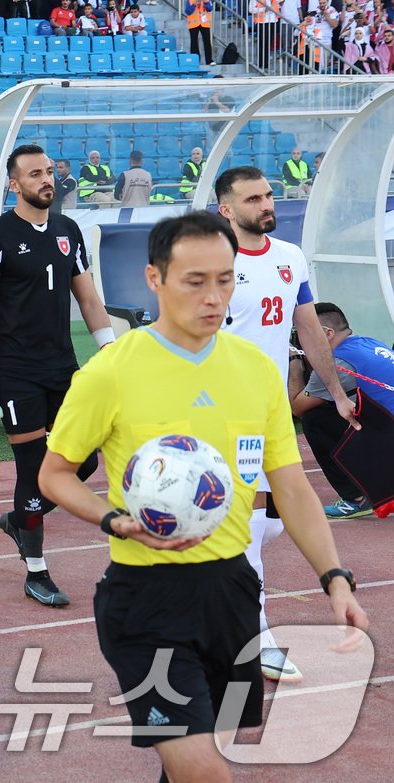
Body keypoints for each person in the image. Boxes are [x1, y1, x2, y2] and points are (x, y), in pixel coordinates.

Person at [38, 211, 367, 783]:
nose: (214, 296)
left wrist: (335, 579)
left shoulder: (255, 371)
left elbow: (290, 484)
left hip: (232, 591)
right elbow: (55, 475)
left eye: (226, 279)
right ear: (154, 279)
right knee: (205, 772)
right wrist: (111, 517)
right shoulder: (111, 371)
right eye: (195, 281)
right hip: (147, 601)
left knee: (204, 755)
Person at [215, 165, 357, 682]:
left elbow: (309, 331)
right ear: (226, 210)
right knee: (254, 526)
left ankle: (210, 571)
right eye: (253, 198)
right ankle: (257, 638)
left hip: (275, 411)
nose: (266, 204)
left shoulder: (290, 257)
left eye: (269, 194)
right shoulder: (215, 260)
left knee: (274, 519)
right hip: (231, 414)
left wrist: (336, 393)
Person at [0, 144, 114, 608]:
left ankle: (20, 519)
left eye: (49, 172)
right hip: (16, 372)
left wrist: (110, 350)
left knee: (82, 461)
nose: (46, 180)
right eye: (35, 174)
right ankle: (37, 571)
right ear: (14, 184)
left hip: (63, 368)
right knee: (33, 470)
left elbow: (88, 298)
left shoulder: (69, 230)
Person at [289, 302, 390, 519]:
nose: (302, 341)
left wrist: (294, 361)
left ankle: (355, 498)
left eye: (305, 334)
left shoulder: (335, 362)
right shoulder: (370, 343)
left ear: (327, 334)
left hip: (388, 442)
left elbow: (297, 407)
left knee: (314, 420)